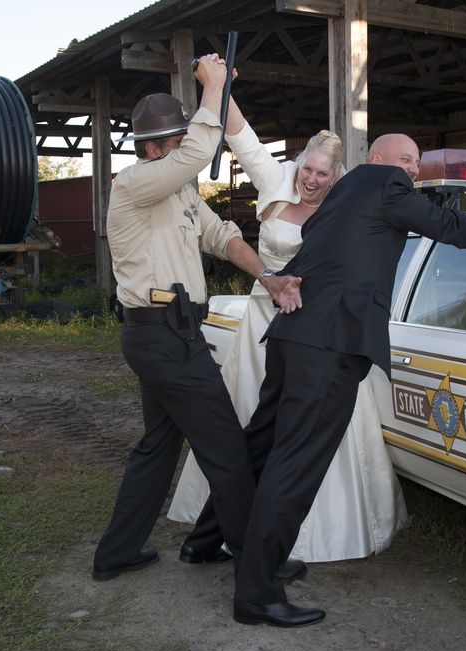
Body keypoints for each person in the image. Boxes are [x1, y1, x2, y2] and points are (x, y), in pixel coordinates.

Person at [232, 134, 466, 627]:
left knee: (264, 449)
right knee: (295, 465)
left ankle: (221, 546)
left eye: (415, 164)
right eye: (407, 161)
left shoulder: (340, 199)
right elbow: (439, 223)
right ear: (378, 161)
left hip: (295, 336)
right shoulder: (380, 182)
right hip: (330, 346)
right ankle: (257, 594)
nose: (413, 171)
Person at [91, 55, 303, 584]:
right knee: (227, 450)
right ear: (151, 148)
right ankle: (258, 563)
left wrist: (270, 279)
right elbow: (198, 152)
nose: (185, 149)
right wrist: (214, 86)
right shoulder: (133, 185)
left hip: (171, 335)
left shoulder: (179, 192)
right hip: (162, 335)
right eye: (176, 141)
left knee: (157, 449)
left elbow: (222, 238)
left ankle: (116, 554)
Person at [166, 107, 409, 563]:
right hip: (260, 323)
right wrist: (221, 84)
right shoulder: (275, 183)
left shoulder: (346, 204)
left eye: (321, 174)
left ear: (335, 178)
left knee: (300, 441)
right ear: (297, 166)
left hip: (311, 333)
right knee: (248, 435)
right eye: (307, 170)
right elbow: (241, 136)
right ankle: (220, 533)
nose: (310, 181)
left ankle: (297, 535)